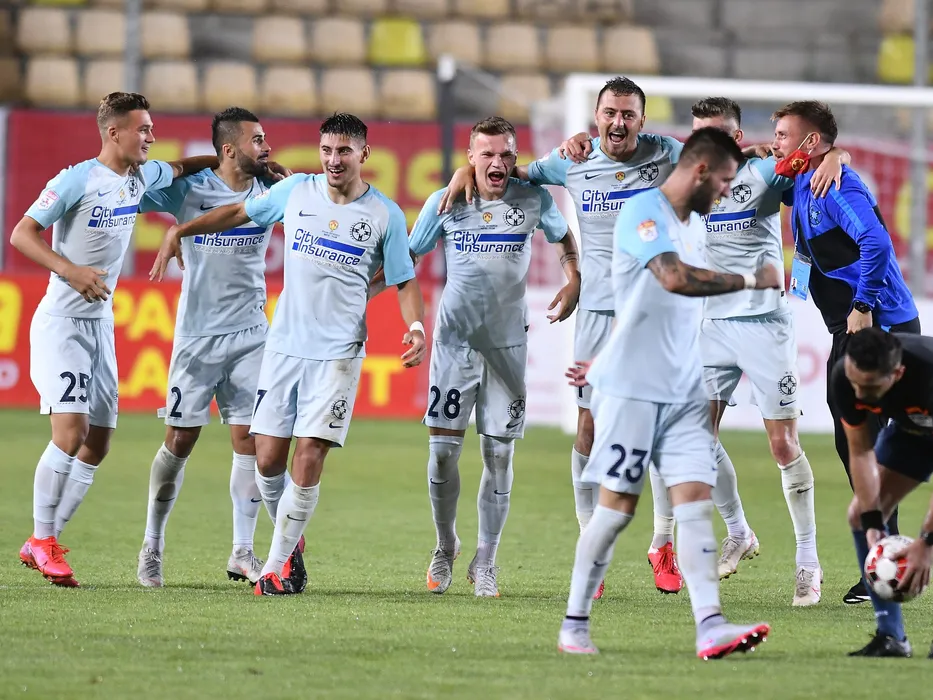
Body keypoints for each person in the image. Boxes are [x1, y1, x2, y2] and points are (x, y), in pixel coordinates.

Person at [150, 113, 427, 596]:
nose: (334, 160)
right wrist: (182, 230)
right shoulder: (295, 191)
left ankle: (276, 566)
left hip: (338, 353)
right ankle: (289, 542)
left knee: (310, 451)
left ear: (363, 154)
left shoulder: (386, 214)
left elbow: (404, 280)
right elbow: (237, 213)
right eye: (327, 150)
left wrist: (417, 327)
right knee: (266, 458)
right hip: (283, 347)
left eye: (344, 151)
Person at [441, 77, 687, 597]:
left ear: (642, 120)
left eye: (628, 114)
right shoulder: (572, 160)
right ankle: (590, 544)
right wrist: (465, 170)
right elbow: (510, 172)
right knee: (588, 428)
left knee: (662, 429)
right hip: (597, 313)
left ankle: (663, 542)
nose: (618, 122)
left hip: (654, 311)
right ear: (597, 117)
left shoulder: (667, 154)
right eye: (610, 113)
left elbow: (727, 162)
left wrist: (821, 155)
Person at [557, 127, 775, 659]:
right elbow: (674, 279)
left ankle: (710, 626)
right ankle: (574, 625)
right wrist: (751, 280)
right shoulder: (642, 212)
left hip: (682, 391)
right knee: (616, 511)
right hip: (632, 392)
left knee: (694, 503)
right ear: (700, 172)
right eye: (724, 181)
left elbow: (645, 302)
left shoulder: (693, 221)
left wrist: (747, 153)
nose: (727, 192)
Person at [11, 92, 216, 588]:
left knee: (98, 442)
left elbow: (182, 167)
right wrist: (70, 270)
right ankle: (42, 539)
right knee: (71, 433)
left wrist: (229, 160)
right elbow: (22, 233)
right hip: (62, 321)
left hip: (100, 325)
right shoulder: (76, 179)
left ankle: (45, 538)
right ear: (114, 133)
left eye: (151, 128)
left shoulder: (141, 177)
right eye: (143, 129)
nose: (151, 137)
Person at [408, 117, 580, 598]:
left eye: (506, 154)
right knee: (442, 455)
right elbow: (408, 257)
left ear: (515, 157)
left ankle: (486, 559)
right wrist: (401, 315)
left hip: (507, 347)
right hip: (454, 345)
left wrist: (574, 277)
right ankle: (446, 544)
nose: (497, 162)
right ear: (470, 158)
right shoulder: (445, 202)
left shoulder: (533, 199)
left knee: (499, 454)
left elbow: (563, 238)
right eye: (486, 154)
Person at [772, 100, 921, 604]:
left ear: (810, 142)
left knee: (865, 442)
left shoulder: (834, 186)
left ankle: (889, 558)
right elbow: (763, 157)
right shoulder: (803, 177)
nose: (777, 143)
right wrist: (838, 154)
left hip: (880, 326)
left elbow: (877, 243)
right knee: (854, 440)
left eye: (784, 135)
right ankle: (887, 556)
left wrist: (862, 304)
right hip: (852, 327)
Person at [136, 107, 285, 589]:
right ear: (229, 149)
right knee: (180, 441)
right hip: (197, 337)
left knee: (250, 441)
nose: (266, 147)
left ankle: (243, 551)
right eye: (257, 140)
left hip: (251, 335)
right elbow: (131, 185)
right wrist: (192, 164)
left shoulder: (271, 191)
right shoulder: (188, 189)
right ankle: (152, 544)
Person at [832, 328, 933, 657]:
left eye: (871, 388)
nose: (860, 394)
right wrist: (874, 522)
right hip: (913, 431)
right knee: (858, 516)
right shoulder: (846, 377)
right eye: (855, 383)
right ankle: (891, 637)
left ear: (898, 374)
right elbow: (860, 452)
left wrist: (926, 542)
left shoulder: (928, 372)